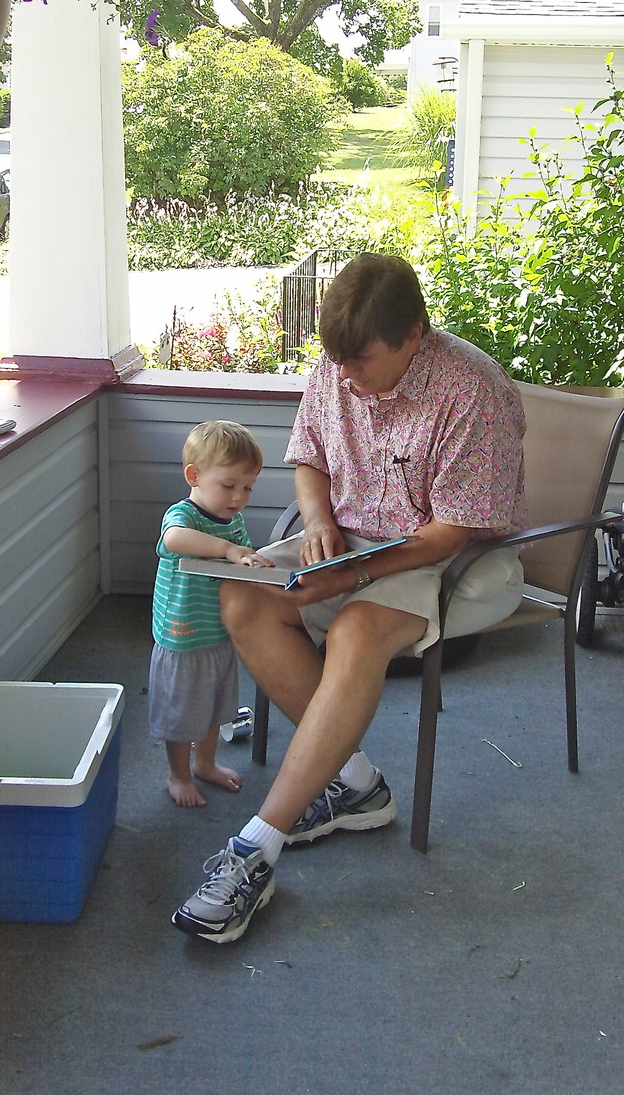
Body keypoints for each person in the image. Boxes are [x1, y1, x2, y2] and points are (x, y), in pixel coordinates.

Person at [172, 254, 528, 940]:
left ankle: (255, 849)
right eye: (338, 360)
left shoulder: (471, 388)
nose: (347, 376)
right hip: (354, 540)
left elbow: (451, 531)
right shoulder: (339, 365)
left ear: (414, 334)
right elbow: (308, 455)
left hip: (455, 555)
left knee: (356, 630)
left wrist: (352, 577)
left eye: (362, 361)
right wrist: (319, 522)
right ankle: (355, 783)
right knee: (245, 598)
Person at [149, 419, 272, 807]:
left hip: (218, 631)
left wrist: (255, 563)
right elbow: (173, 540)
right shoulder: (183, 516)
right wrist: (227, 551)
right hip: (183, 635)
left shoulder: (231, 520)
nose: (239, 496)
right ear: (194, 475)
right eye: (229, 485)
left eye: (248, 487)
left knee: (216, 706)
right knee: (182, 710)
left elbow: (242, 556)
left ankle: (205, 763)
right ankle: (178, 773)